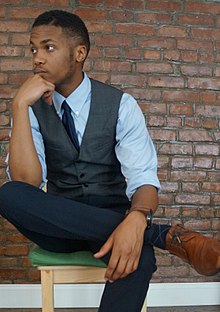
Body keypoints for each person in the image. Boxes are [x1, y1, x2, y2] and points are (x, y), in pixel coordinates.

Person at [0, 10, 219, 312]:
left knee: (140, 257)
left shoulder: (121, 106)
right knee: (8, 194)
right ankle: (162, 234)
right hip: (58, 225)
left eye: (49, 48)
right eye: (33, 49)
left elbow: (143, 180)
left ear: (79, 53)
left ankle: (143, 232)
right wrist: (19, 106)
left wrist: (137, 215)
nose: (37, 58)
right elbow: (27, 185)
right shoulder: (31, 107)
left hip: (110, 214)